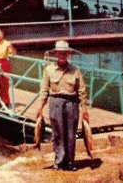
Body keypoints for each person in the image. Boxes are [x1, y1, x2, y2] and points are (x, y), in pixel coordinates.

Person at [36, 40, 89, 171]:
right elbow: (44, 89)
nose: (62, 55)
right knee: (58, 134)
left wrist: (85, 109)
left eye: (64, 53)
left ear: (68, 54)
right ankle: (59, 162)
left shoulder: (76, 71)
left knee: (71, 134)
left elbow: (82, 91)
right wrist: (40, 107)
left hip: (72, 103)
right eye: (60, 53)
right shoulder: (48, 70)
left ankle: (70, 162)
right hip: (55, 102)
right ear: (56, 54)